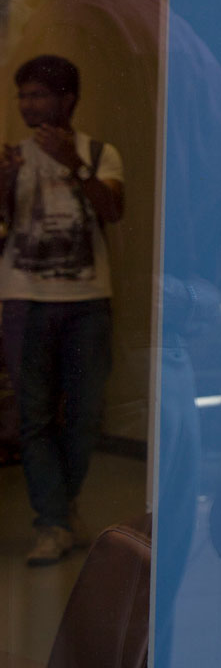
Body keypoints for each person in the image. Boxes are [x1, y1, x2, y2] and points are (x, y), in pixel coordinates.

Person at [0, 55, 125, 567]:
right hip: (23, 298)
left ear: (66, 99)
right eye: (23, 95)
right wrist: (5, 183)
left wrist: (72, 163)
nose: (28, 104)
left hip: (86, 301)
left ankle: (60, 505)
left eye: (38, 95)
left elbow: (113, 211)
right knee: (32, 416)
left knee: (85, 415)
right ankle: (52, 521)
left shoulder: (99, 153)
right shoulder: (12, 157)